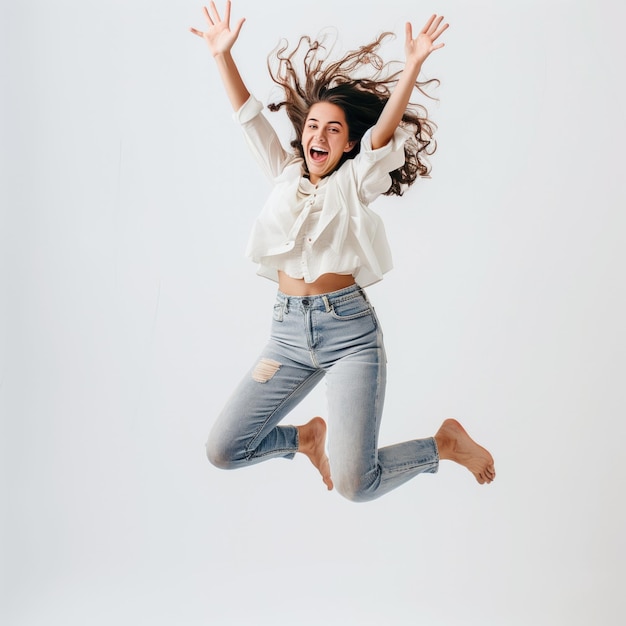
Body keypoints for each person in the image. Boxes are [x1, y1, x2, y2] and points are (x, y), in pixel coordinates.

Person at [190, 1, 495, 502]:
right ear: (302, 133)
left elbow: (381, 136)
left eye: (334, 129)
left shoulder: (355, 180)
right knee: (223, 449)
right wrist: (223, 56)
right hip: (286, 335)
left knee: (356, 484)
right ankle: (306, 439)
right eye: (313, 126)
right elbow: (248, 118)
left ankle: (444, 445)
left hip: (347, 335)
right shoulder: (285, 174)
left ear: (348, 144)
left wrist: (413, 67)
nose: (319, 135)